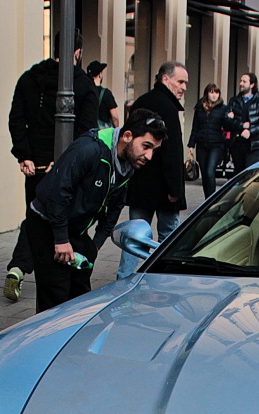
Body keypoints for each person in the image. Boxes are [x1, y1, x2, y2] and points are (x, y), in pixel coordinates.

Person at [25, 109, 167, 313]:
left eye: (154, 150)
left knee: (81, 295)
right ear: (127, 136)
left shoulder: (126, 165)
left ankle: (74, 339)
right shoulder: (90, 149)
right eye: (146, 146)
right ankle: (46, 340)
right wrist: (61, 239)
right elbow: (58, 191)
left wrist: (96, 244)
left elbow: (115, 207)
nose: (149, 156)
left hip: (76, 229)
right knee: (56, 296)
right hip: (46, 222)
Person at [3, 33, 99, 304]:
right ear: (77, 52)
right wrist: (67, 159)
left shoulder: (29, 78)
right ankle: (58, 286)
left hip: (37, 167)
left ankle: (21, 268)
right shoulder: (82, 85)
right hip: (66, 169)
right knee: (65, 226)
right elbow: (87, 130)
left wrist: (25, 155)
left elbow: (16, 119)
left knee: (36, 219)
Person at [116, 61, 188, 284]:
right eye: (181, 81)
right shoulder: (168, 107)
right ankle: (163, 279)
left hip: (140, 183)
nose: (184, 87)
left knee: (134, 237)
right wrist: (175, 188)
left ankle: (124, 279)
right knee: (168, 238)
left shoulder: (143, 101)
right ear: (165, 79)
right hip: (164, 189)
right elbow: (173, 152)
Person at [187, 82, 228, 196]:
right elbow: (195, 127)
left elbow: (227, 125)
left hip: (216, 144)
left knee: (210, 172)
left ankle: (212, 199)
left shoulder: (223, 108)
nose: (214, 95)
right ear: (207, 94)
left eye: (216, 92)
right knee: (204, 174)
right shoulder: (200, 108)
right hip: (202, 144)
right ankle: (207, 199)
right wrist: (191, 144)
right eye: (211, 92)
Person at [225, 72, 259, 173]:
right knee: (238, 174)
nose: (241, 83)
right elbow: (226, 120)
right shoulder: (234, 101)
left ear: (252, 84)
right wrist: (241, 125)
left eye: (244, 81)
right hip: (237, 143)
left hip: (253, 145)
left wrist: (250, 131)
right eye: (240, 81)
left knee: (249, 174)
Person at [89, 60, 119, 130]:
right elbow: (114, 116)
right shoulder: (106, 93)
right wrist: (117, 130)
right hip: (103, 132)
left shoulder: (85, 91)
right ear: (100, 74)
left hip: (88, 131)